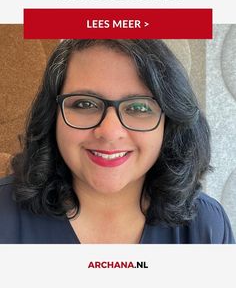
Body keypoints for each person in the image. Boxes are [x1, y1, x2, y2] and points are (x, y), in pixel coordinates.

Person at [0, 39, 235, 244]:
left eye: (139, 107)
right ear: (53, 115)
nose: (110, 132)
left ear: (170, 122)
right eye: (84, 104)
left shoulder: (206, 226)